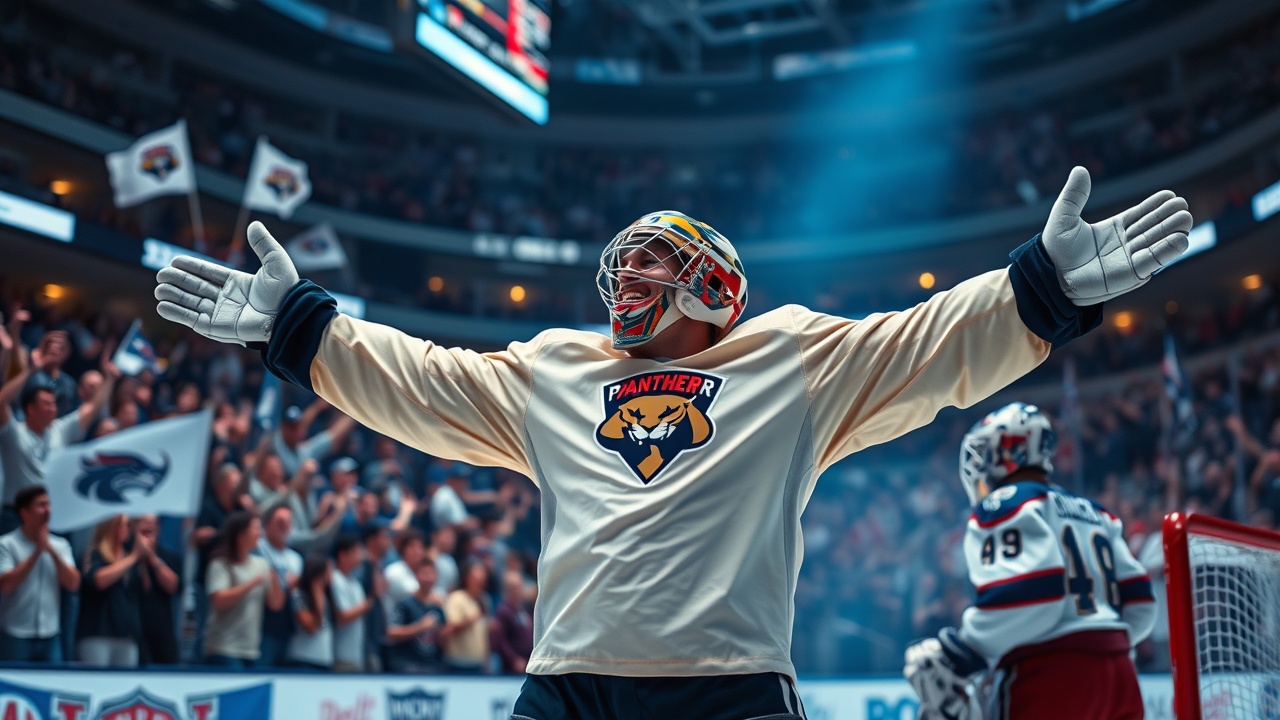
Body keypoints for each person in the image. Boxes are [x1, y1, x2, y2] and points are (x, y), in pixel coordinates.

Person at [156, 166, 1190, 718]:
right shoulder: (554, 367)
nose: (627, 279)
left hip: (730, 687)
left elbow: (924, 346)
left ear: (713, 285)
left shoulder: (790, 357)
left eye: (652, 262)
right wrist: (303, 329)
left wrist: (1038, 288)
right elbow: (422, 384)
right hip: (566, 685)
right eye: (625, 264)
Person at [903, 403, 1156, 720]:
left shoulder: (1005, 504)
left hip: (1050, 674)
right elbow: (1141, 605)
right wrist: (1100, 641)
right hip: (1119, 673)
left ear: (1009, 451)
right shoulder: (1097, 512)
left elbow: (1033, 597)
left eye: (985, 452)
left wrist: (963, 650)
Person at [0, 342, 117, 533]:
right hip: (15, 516)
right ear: (30, 408)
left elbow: (92, 408)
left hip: (50, 516)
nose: (52, 408)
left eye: (54, 404)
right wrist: (30, 371)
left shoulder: (59, 429)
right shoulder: (13, 431)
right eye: (46, 404)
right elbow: (2, 401)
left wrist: (109, 379)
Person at [0, 486, 80, 662]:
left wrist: (50, 551)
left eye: (49, 505)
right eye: (41, 505)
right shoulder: (6, 544)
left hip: (50, 635)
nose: (47, 510)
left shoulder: (60, 545)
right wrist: (36, 553)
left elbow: (73, 584)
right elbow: (5, 586)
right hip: (15, 634)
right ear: (25, 513)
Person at [203, 511, 284, 668]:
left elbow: (275, 605)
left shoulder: (261, 564)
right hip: (223, 647)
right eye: (256, 529)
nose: (260, 534)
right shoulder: (220, 564)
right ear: (241, 535)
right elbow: (219, 600)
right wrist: (251, 583)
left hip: (251, 649)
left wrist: (275, 581)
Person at [76, 514, 143, 667]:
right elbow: (98, 581)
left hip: (127, 635)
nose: (126, 529)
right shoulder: (92, 554)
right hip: (97, 634)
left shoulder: (130, 557)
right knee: (96, 680)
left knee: (126, 679)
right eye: (122, 524)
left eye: (128, 525)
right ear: (110, 527)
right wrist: (133, 558)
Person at [131, 514, 183, 666]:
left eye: (152, 529)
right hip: (132, 630)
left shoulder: (170, 557)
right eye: (143, 531)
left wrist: (151, 557)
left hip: (162, 630)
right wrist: (136, 555)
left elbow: (173, 587)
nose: (148, 536)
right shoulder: (124, 556)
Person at [255, 504, 302, 667]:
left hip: (288, 627)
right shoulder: (258, 548)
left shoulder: (296, 559)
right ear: (267, 525)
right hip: (262, 625)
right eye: (280, 522)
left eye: (288, 522)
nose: (285, 527)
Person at [384, 559, 447, 674]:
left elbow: (443, 642)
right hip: (407, 666)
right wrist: (420, 627)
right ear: (416, 576)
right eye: (424, 574)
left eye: (431, 574)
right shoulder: (406, 604)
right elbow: (391, 632)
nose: (428, 578)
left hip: (433, 668)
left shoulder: (438, 608)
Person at [331, 533, 379, 671]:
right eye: (356, 552)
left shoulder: (356, 583)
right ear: (342, 555)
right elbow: (342, 616)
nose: (360, 557)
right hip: (340, 655)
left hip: (356, 656)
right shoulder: (335, 579)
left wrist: (374, 565)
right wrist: (365, 606)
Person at [441, 560, 490, 674]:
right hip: (458, 663)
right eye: (476, 579)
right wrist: (471, 620)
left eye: (482, 579)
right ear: (466, 578)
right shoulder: (456, 598)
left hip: (478, 663)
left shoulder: (484, 600)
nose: (479, 582)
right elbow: (449, 628)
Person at [287, 553, 334, 670]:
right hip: (304, 659)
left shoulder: (326, 596)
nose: (332, 575)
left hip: (323, 659)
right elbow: (311, 627)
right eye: (329, 571)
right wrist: (317, 594)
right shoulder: (298, 595)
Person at [490, 570, 534, 675]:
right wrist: (513, 659)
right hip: (511, 667)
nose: (521, 590)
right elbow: (501, 640)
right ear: (509, 590)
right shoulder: (503, 611)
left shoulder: (522, 610)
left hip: (526, 663)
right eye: (518, 587)